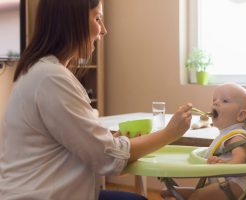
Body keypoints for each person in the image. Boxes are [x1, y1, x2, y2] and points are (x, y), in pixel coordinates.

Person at [0, 0, 193, 200]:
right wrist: (171, 133)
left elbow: (88, 149)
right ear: (72, 21)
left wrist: (108, 140)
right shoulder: (51, 78)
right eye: (98, 18)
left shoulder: (40, 72)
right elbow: (107, 158)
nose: (104, 30)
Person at [161, 83, 246, 200]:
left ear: (241, 115)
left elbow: (240, 160)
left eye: (224, 101)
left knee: (197, 197)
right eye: (214, 100)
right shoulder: (226, 134)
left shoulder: (237, 136)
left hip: (235, 185)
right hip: (222, 183)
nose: (215, 103)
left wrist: (222, 164)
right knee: (167, 192)